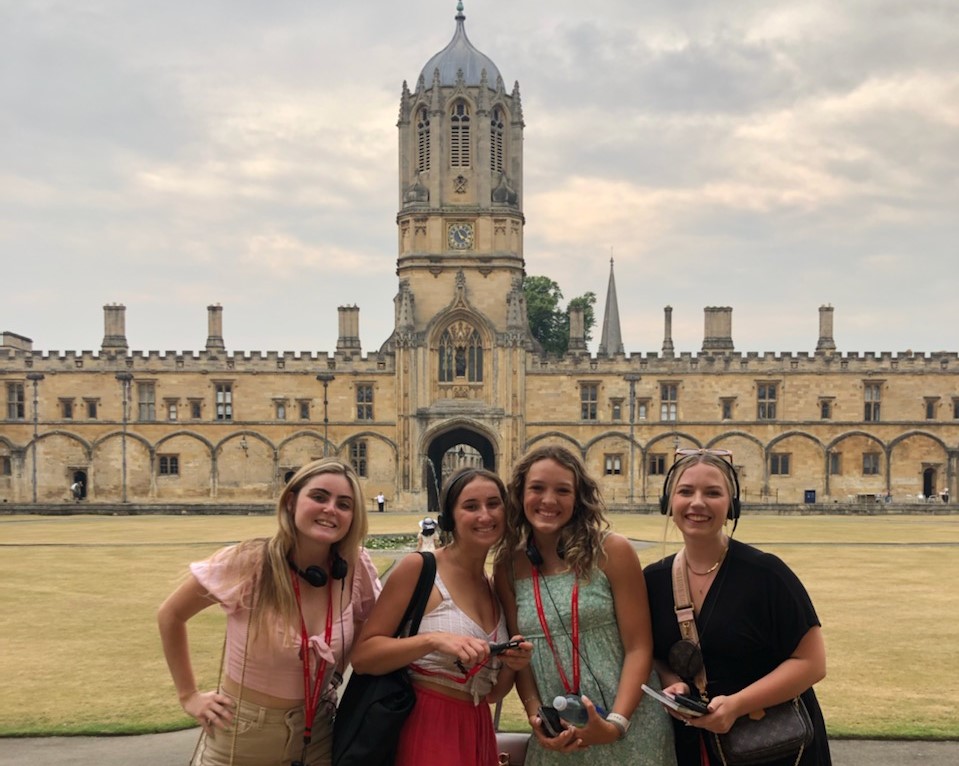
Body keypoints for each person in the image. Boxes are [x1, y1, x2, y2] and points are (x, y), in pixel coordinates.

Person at [157, 458, 381, 766]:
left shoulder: (355, 570)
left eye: (344, 504)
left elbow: (369, 625)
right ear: (291, 501)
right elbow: (171, 615)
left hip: (317, 734)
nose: (331, 509)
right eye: (318, 497)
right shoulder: (250, 563)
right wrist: (189, 696)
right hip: (242, 736)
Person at [643, 449, 832, 765]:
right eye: (685, 491)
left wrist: (736, 705)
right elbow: (654, 655)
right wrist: (669, 680)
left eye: (713, 493)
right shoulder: (653, 580)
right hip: (696, 746)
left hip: (775, 745)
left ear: (731, 505)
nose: (698, 502)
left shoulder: (767, 574)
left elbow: (812, 664)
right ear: (669, 504)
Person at [493, 445, 676, 766]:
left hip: (629, 728)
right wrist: (538, 718)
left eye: (562, 490)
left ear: (578, 499)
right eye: (537, 488)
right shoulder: (508, 565)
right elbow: (520, 655)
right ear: (520, 494)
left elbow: (638, 647)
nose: (548, 500)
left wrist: (616, 723)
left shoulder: (611, 551)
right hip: (559, 736)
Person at [351, 467, 532, 766]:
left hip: (476, 727)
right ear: (450, 518)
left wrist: (514, 665)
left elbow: (492, 693)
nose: (485, 516)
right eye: (471, 506)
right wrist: (433, 641)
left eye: (493, 504)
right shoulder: (420, 569)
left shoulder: (494, 585)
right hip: (426, 725)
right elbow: (363, 656)